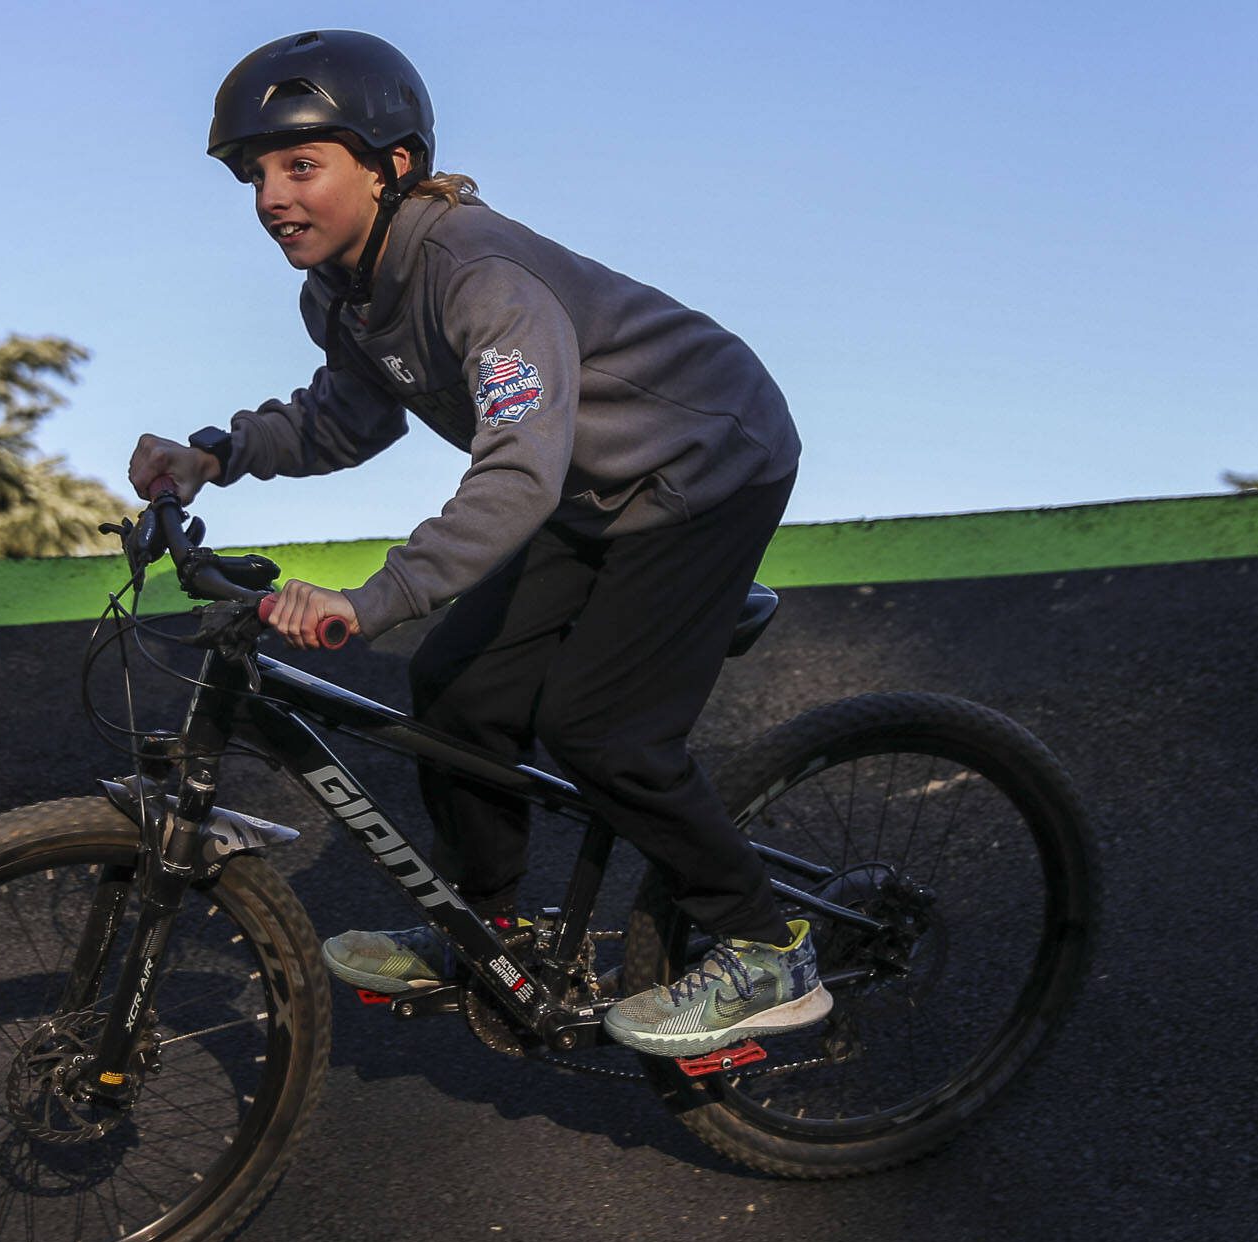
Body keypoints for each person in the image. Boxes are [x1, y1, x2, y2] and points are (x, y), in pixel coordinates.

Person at [127, 30, 829, 1057]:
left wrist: (371, 599)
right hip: (592, 489)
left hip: (703, 465)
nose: (272, 197)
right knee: (457, 693)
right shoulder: (343, 292)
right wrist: (216, 454)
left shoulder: (476, 272)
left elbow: (515, 472)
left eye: (301, 166)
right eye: (257, 174)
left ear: (390, 165)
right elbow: (345, 420)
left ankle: (768, 952)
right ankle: (491, 932)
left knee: (602, 731)